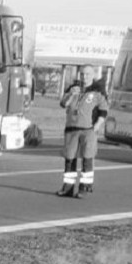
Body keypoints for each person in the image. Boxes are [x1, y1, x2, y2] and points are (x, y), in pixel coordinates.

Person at [57, 65, 109, 198]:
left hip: (88, 130)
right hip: (71, 129)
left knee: (87, 158)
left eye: (87, 74)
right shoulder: (73, 88)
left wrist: (97, 125)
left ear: (92, 75)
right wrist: (71, 95)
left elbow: (104, 110)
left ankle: (84, 188)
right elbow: (63, 104)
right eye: (82, 75)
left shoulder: (98, 91)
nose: (84, 77)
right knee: (69, 158)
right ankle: (67, 188)